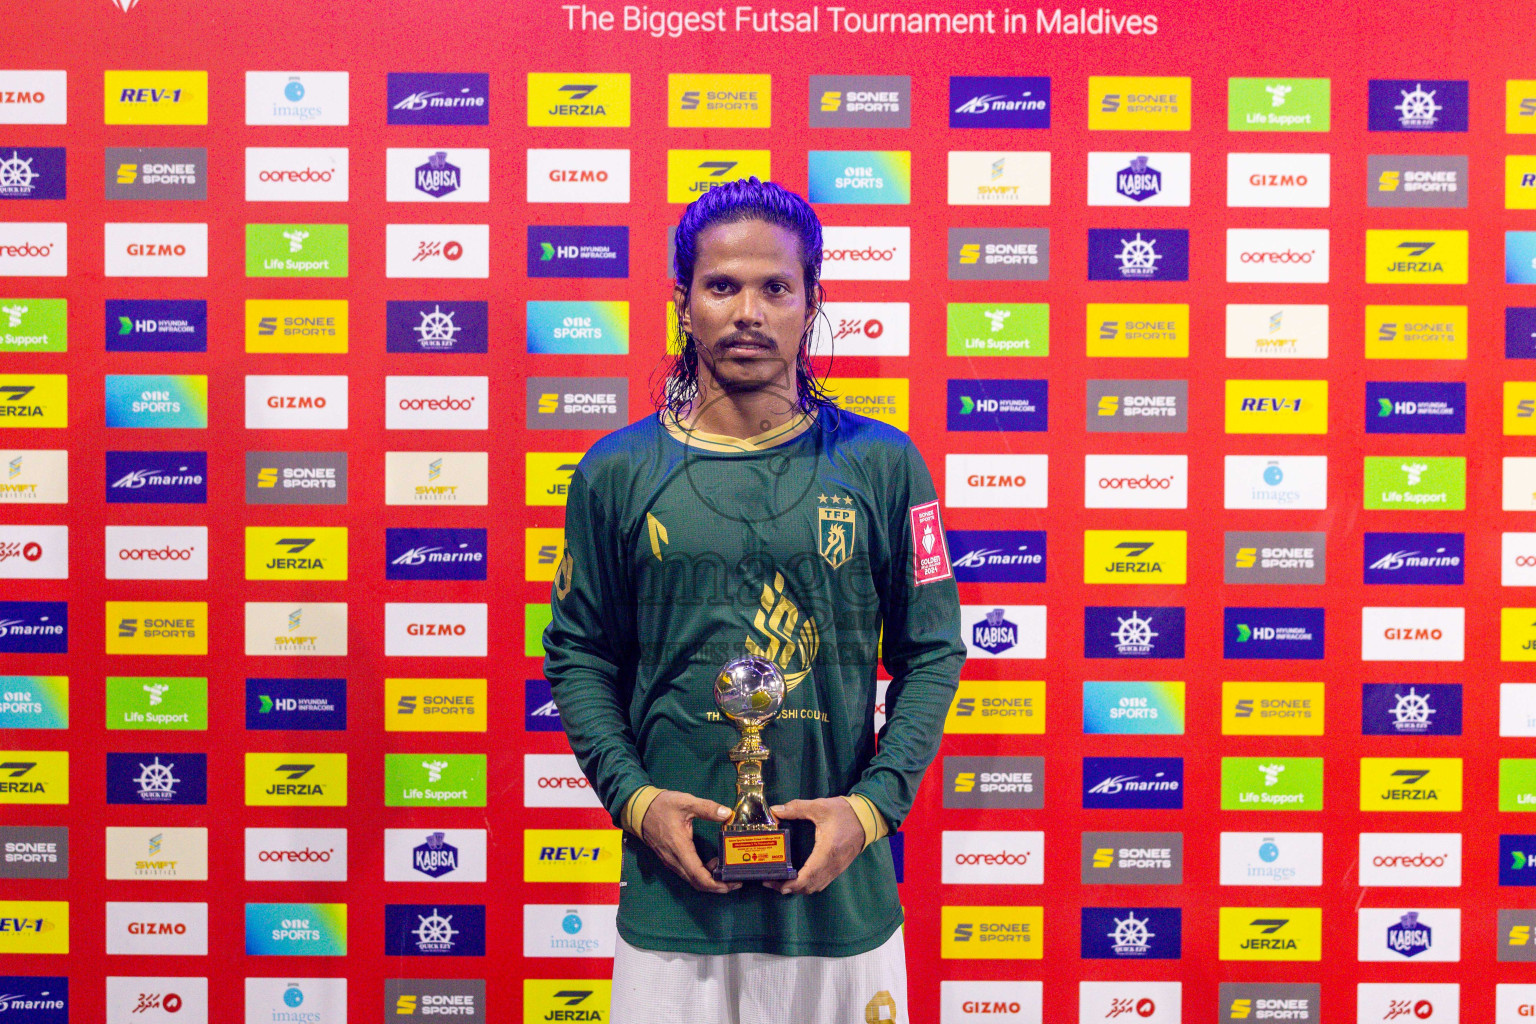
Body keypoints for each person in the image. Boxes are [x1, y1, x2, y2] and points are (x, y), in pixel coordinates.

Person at [542, 177, 964, 1023]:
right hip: (676, 904)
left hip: (838, 901)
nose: (748, 311)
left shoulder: (883, 465)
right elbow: (579, 651)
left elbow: (932, 651)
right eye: (722, 285)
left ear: (812, 304)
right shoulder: (617, 472)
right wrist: (634, 798)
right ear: (683, 302)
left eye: (775, 287)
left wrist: (872, 810)